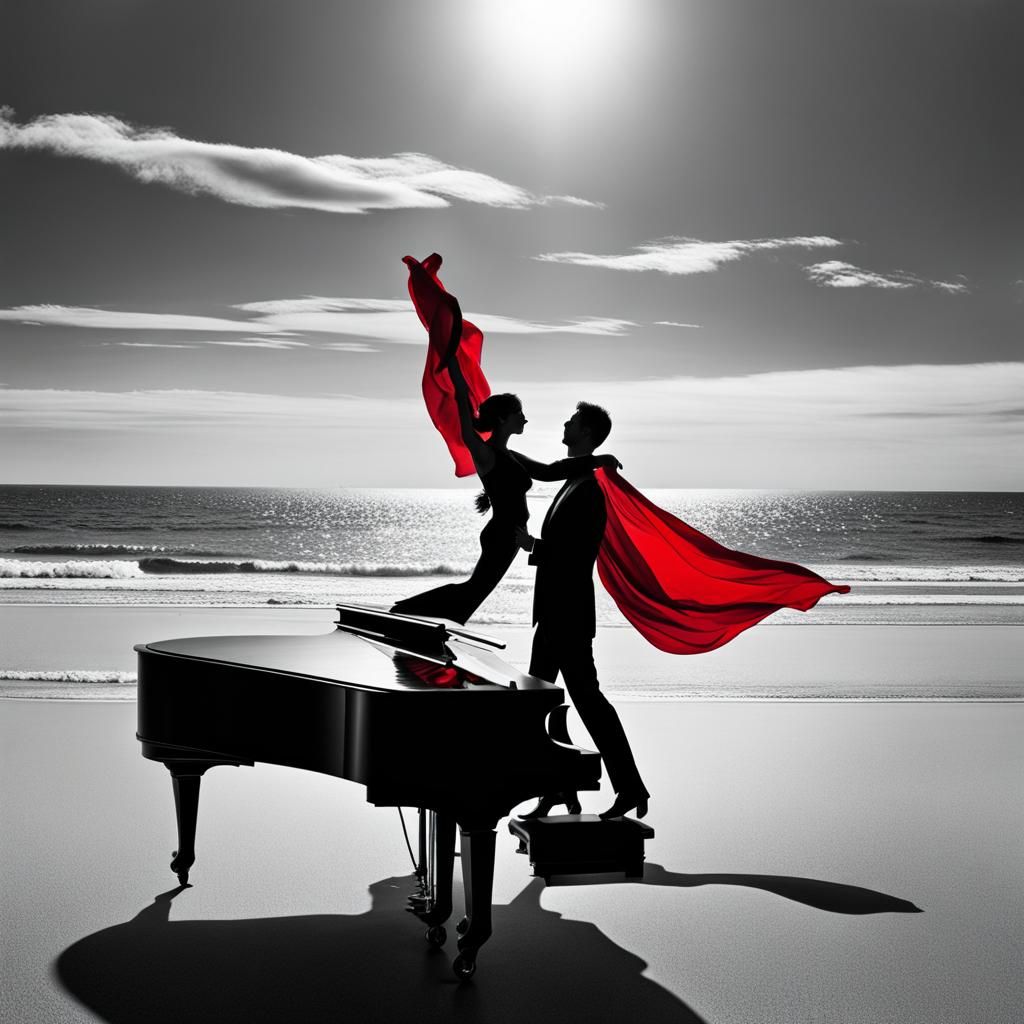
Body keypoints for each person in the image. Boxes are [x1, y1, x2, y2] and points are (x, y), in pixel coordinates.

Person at [391, 297, 620, 625]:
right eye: (519, 415)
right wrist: (453, 365)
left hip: (507, 535)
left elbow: (549, 471)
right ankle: (407, 615)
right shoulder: (485, 453)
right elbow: (460, 399)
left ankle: (427, 624)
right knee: (474, 590)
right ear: (503, 420)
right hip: (502, 535)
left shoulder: (511, 456)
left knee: (475, 591)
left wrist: (596, 460)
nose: (525, 420)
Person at [515, 402, 650, 821]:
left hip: (567, 614)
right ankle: (564, 788)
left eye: (571, 421)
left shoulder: (589, 486)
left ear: (587, 431)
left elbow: (577, 553)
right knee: (547, 704)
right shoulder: (576, 476)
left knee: (579, 703)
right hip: (556, 612)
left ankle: (623, 787)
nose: (564, 424)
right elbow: (546, 470)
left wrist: (532, 545)